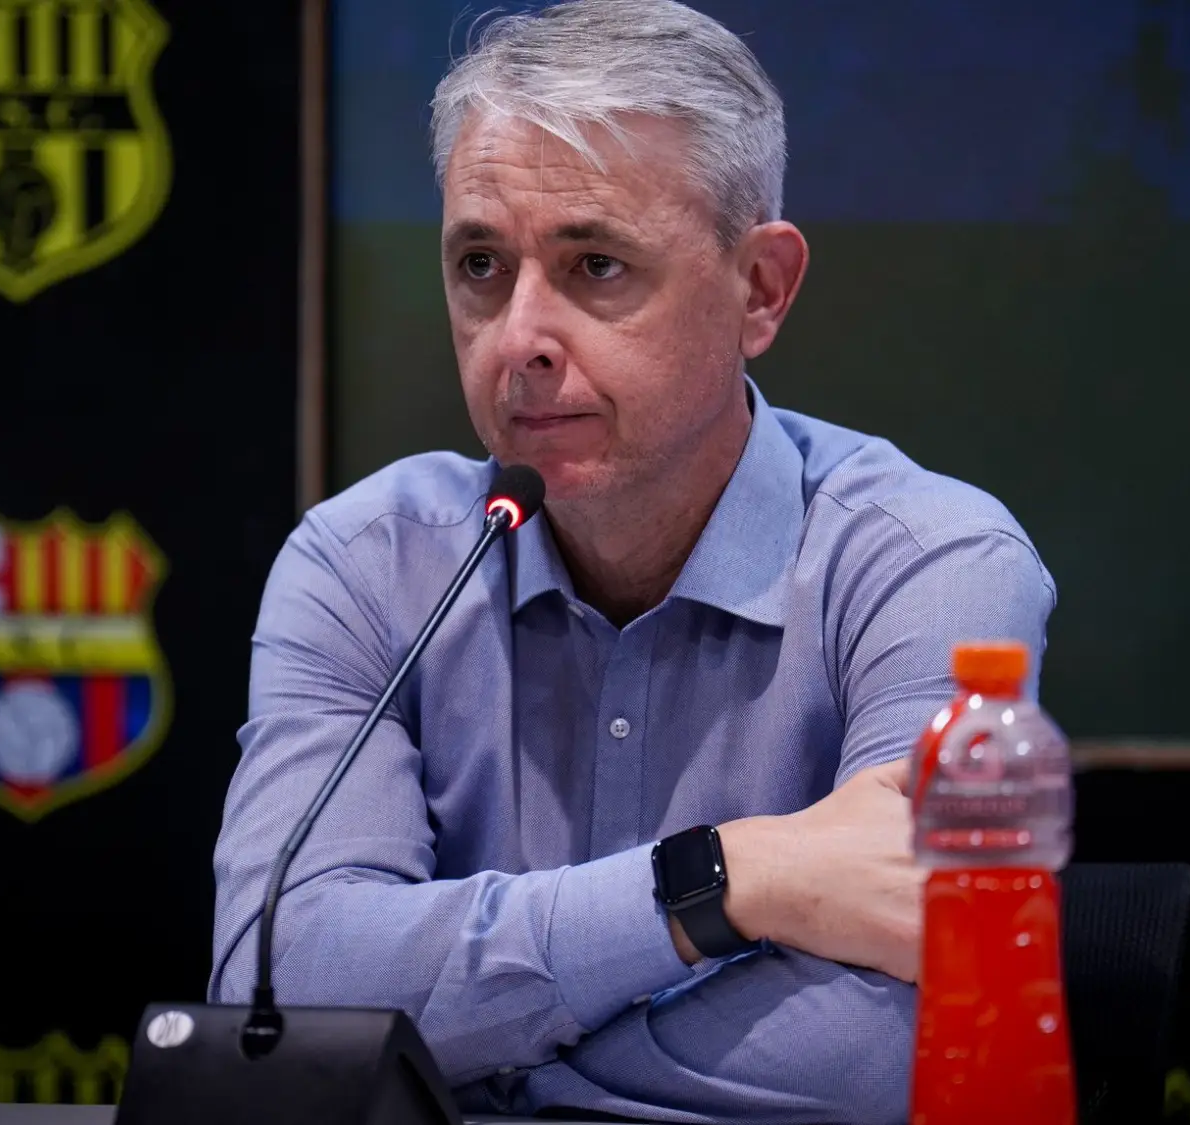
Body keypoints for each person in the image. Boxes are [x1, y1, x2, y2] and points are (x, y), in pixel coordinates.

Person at [210, 1, 1056, 1120]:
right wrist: (727, 880)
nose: (517, 340)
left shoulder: (928, 566)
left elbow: (891, 1046)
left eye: (595, 265)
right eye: (478, 264)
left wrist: (459, 1063)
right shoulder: (364, 565)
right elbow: (283, 987)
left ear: (759, 290)